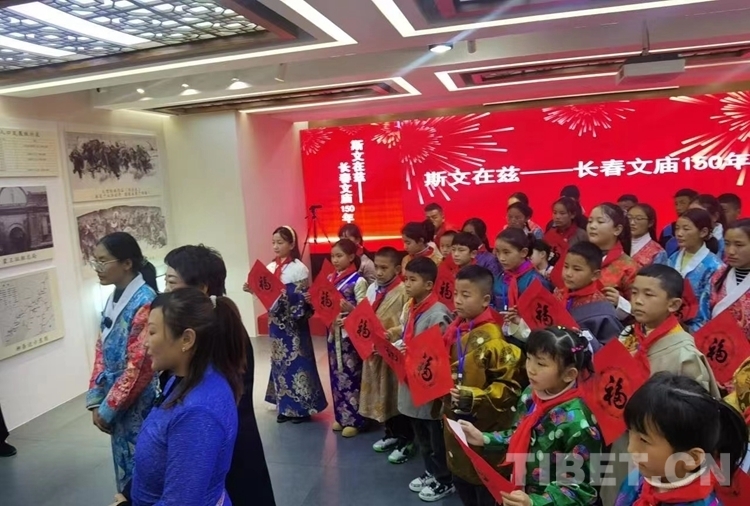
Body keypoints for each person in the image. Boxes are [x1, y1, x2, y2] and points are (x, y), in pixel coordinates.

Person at [601, 264, 721, 506]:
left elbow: (694, 421)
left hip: (663, 454)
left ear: (673, 304)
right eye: (634, 292)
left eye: (649, 294)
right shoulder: (631, 334)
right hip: (628, 437)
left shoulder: (684, 355)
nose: (638, 301)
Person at [164, 244, 275, 506]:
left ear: (201, 287)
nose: (166, 290)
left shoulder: (213, 333)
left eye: (171, 282)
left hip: (221, 442)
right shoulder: (208, 325)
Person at [126, 288, 246, 506]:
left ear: (187, 339)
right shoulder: (181, 378)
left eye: (152, 332)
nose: (145, 342)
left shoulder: (197, 412)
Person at [460, 327, 603, 506]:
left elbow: (579, 489)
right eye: (529, 358)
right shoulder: (531, 394)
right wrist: (484, 438)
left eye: (541, 364)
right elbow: (519, 433)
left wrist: (534, 502)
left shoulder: (579, 424)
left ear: (569, 374)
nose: (531, 369)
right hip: (521, 490)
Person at [443, 265, 525, 506]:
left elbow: (509, 388)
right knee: (462, 479)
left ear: (486, 300)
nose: (458, 300)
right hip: (454, 419)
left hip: (484, 425)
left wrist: (474, 397)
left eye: (466, 295)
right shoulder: (455, 329)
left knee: (483, 488)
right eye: (455, 293)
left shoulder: (495, 339)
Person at [85, 232, 159, 493]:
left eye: (103, 261)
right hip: (116, 397)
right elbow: (101, 349)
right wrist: (97, 398)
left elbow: (139, 366)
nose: (98, 268)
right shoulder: (113, 297)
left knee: (143, 465)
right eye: (95, 261)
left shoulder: (145, 300)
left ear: (127, 263)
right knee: (125, 465)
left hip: (139, 400)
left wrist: (108, 408)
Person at [615, 372, 748, 506]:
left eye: (644, 440)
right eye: (630, 432)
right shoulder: (640, 477)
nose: (630, 448)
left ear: (692, 458)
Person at [247, 226, 327, 423]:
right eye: (273, 242)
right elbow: (267, 296)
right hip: (276, 324)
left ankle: (302, 408)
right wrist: (253, 289)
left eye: (280, 242)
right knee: (279, 363)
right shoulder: (270, 267)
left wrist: (284, 295)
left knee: (298, 362)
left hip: (294, 324)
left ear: (291, 244)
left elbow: (303, 298)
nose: (276, 246)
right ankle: (284, 405)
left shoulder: (299, 268)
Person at [392, 257, 454, 501]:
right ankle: (431, 471)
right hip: (412, 378)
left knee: (434, 434)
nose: (406, 284)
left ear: (429, 284)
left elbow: (439, 353)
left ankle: (444, 479)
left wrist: (414, 352)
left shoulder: (437, 313)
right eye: (406, 279)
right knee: (421, 432)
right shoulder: (413, 307)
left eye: (412, 280)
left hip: (430, 384)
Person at [360, 247, 412, 462]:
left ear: (397, 269)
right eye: (377, 267)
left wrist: (391, 336)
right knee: (382, 395)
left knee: (396, 396)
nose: (379, 272)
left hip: (394, 351)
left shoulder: (403, 292)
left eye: (384, 268)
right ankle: (390, 433)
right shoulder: (373, 288)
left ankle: (406, 439)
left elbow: (406, 323)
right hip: (374, 350)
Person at [329, 239, 369, 437]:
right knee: (336, 375)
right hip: (333, 332)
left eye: (339, 256)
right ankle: (341, 415)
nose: (335, 260)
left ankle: (356, 419)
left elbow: (365, 312)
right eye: (333, 256)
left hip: (349, 336)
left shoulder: (358, 281)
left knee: (352, 374)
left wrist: (351, 310)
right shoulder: (330, 278)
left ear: (351, 257)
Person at [665, 208, 725, 332]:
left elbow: (710, 306)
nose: (679, 233)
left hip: (696, 329)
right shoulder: (672, 258)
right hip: (668, 321)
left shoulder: (715, 266)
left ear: (703, 232)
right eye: (677, 228)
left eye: (686, 229)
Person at [555, 242, 624, 349]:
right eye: (566, 266)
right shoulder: (558, 294)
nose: (568, 273)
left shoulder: (603, 311)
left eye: (576, 269)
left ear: (595, 275)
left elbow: (611, 351)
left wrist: (584, 340)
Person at [587, 203, 639, 315]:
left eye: (600, 222)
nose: (592, 226)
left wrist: (620, 302)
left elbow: (640, 307)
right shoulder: (580, 257)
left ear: (617, 229)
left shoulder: (629, 266)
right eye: (590, 221)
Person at [493, 228, 551, 312]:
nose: (501, 258)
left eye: (506, 252)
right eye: (498, 252)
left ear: (524, 252)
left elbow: (544, 313)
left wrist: (520, 319)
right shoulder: (499, 278)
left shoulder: (535, 281)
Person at [711, 218, 750, 341]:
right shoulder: (718, 275)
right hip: (718, 344)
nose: (731, 251)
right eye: (727, 244)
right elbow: (705, 312)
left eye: (739, 245)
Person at [659, 188, 699, 257]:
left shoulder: (701, 228)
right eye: (676, 204)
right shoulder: (667, 230)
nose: (678, 207)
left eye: (682, 203)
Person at [628, 203, 668, 268]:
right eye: (629, 218)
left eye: (638, 218)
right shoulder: (619, 245)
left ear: (650, 223)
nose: (632, 222)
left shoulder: (657, 252)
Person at [690, 194, 728, 259]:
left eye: (698, 214)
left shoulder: (726, 242)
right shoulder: (682, 240)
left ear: (715, 216)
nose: (691, 218)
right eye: (689, 213)